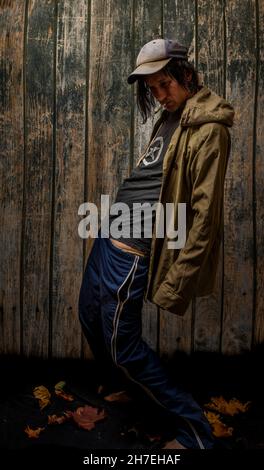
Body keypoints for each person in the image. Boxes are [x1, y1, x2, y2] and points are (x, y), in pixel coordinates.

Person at [79, 38, 234, 449]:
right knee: (89, 316)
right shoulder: (172, 115)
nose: (159, 95)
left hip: (132, 252)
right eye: (152, 88)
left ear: (186, 73)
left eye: (165, 84)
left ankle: (196, 431)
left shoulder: (211, 130)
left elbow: (204, 218)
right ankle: (127, 388)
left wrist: (177, 281)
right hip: (110, 235)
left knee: (123, 346)